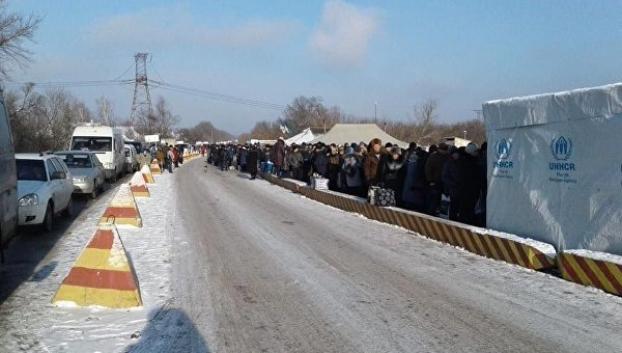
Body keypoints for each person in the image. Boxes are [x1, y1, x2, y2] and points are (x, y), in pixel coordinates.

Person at [424, 142, 449, 216]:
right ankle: (431, 212)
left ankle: (439, 212)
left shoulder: (447, 157)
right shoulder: (433, 156)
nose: (445, 151)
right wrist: (430, 180)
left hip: (443, 181)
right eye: (444, 149)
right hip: (435, 181)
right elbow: (428, 168)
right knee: (434, 198)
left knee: (441, 199)